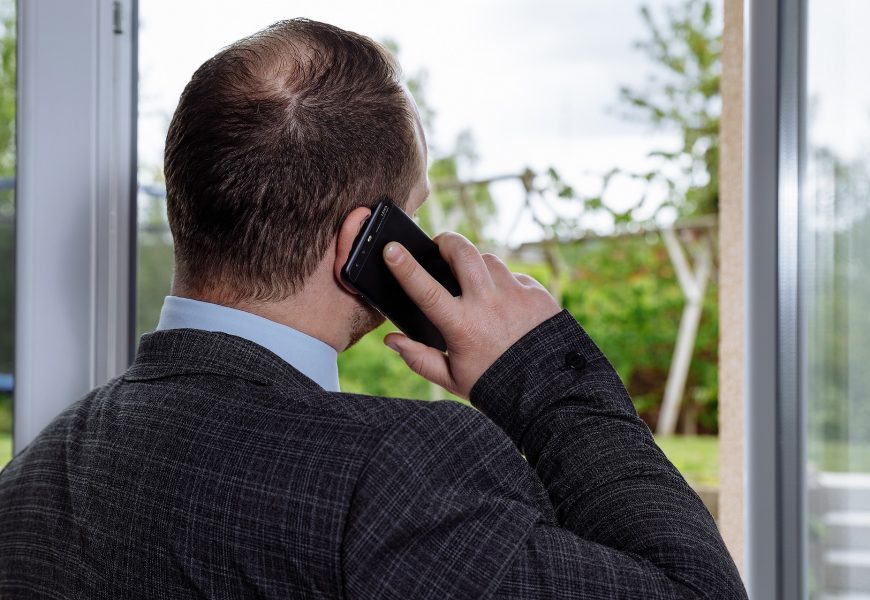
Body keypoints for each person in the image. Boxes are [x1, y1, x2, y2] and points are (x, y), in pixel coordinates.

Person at [0, 18, 747, 599]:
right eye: (414, 213)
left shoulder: (35, 474)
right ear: (370, 242)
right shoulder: (396, 476)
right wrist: (542, 375)